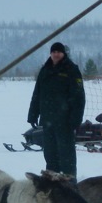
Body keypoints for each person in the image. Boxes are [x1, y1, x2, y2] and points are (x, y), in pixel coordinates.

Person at [27, 42, 86, 177]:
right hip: (48, 120)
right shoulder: (45, 70)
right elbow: (37, 93)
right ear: (51, 53)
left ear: (63, 54)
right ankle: (51, 183)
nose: (56, 54)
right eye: (54, 52)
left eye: (59, 52)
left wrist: (75, 119)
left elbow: (79, 97)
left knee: (66, 155)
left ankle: (69, 183)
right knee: (50, 154)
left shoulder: (71, 69)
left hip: (65, 121)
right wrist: (33, 114)